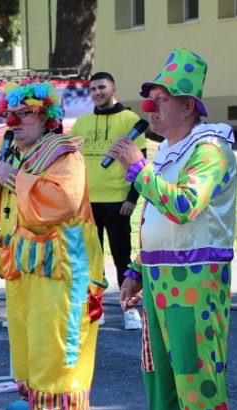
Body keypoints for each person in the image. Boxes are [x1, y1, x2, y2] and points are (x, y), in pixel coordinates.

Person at [108, 48, 237, 410]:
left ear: (187, 105)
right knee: (161, 381)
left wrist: (138, 169)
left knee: (197, 380)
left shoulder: (210, 149)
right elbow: (153, 218)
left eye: (161, 100)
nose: (151, 109)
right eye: (150, 100)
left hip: (196, 278)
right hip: (160, 278)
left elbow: (184, 206)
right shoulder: (168, 151)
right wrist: (135, 270)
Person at [0, 80, 106, 410]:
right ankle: (44, 407)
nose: (13, 122)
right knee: (29, 338)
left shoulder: (63, 155)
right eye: (9, 115)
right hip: (25, 266)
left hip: (63, 268)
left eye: (24, 114)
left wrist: (11, 177)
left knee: (59, 338)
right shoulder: (15, 153)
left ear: (46, 117)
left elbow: (63, 201)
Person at [70, 71, 146, 330]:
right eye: (92, 89)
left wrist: (132, 198)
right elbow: (72, 163)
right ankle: (95, 308)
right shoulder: (81, 123)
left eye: (101, 87)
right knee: (92, 258)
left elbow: (141, 162)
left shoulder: (130, 120)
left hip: (118, 203)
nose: (97, 92)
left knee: (122, 257)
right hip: (87, 203)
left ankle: (130, 309)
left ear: (113, 88)